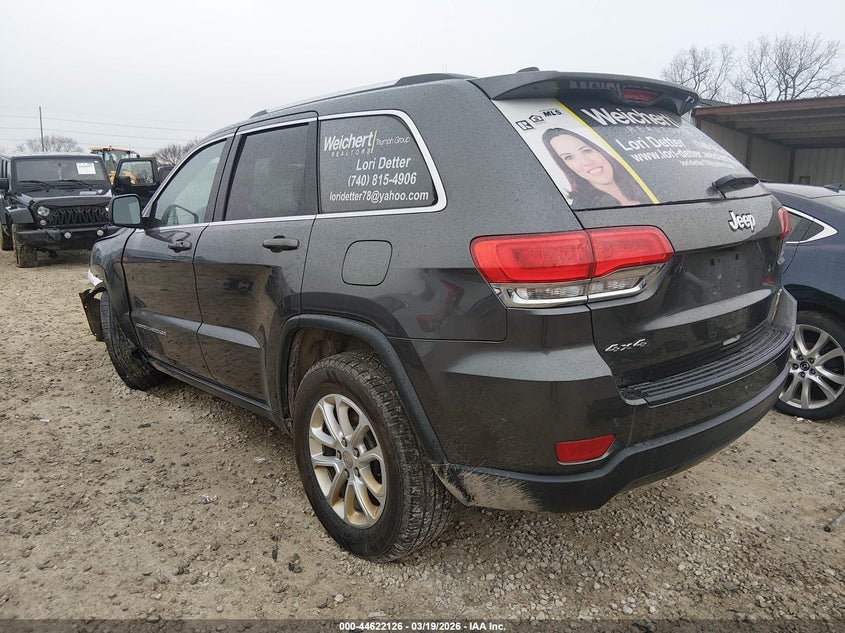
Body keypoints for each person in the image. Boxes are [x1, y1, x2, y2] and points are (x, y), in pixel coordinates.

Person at [541, 128, 651, 209]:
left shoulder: (645, 182)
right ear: (566, 166)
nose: (586, 162)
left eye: (586, 151)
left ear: (599, 150)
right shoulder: (585, 209)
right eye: (569, 157)